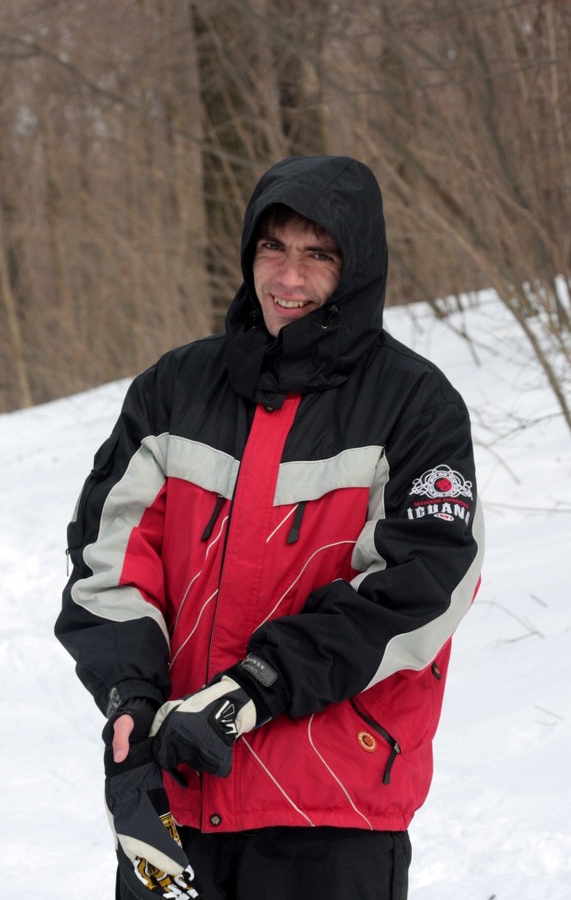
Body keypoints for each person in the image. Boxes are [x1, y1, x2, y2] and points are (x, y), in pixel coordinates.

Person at [55, 155, 484, 900]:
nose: (288, 277)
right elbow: (108, 563)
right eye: (272, 247)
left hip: (330, 807)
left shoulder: (415, 406)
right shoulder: (174, 389)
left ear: (357, 268)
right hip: (178, 795)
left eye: (318, 255)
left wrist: (256, 686)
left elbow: (423, 584)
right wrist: (131, 701)